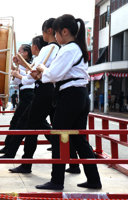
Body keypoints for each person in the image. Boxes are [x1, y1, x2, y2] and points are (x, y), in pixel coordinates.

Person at [34, 14, 101, 190]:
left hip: (71, 96)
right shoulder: (76, 48)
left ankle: (57, 180)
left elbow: (53, 75)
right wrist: (44, 74)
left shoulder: (69, 49)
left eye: (56, 33)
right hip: (79, 95)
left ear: (64, 31)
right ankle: (94, 179)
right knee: (79, 139)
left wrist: (42, 69)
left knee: (58, 137)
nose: (55, 37)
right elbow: (56, 75)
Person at [0, 19, 60, 174]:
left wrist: (24, 71)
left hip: (43, 91)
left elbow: (32, 73)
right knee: (48, 127)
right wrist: (25, 69)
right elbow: (32, 72)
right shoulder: (59, 49)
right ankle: (71, 161)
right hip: (51, 91)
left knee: (31, 126)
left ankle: (26, 163)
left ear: (48, 31)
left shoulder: (50, 48)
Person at [0, 44, 34, 154]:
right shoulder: (21, 65)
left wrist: (17, 69)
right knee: (25, 122)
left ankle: (9, 148)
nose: (18, 53)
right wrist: (14, 68)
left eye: (19, 51)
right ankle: (8, 147)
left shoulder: (30, 65)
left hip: (29, 94)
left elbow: (26, 78)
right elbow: (16, 81)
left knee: (17, 121)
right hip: (24, 94)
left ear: (25, 53)